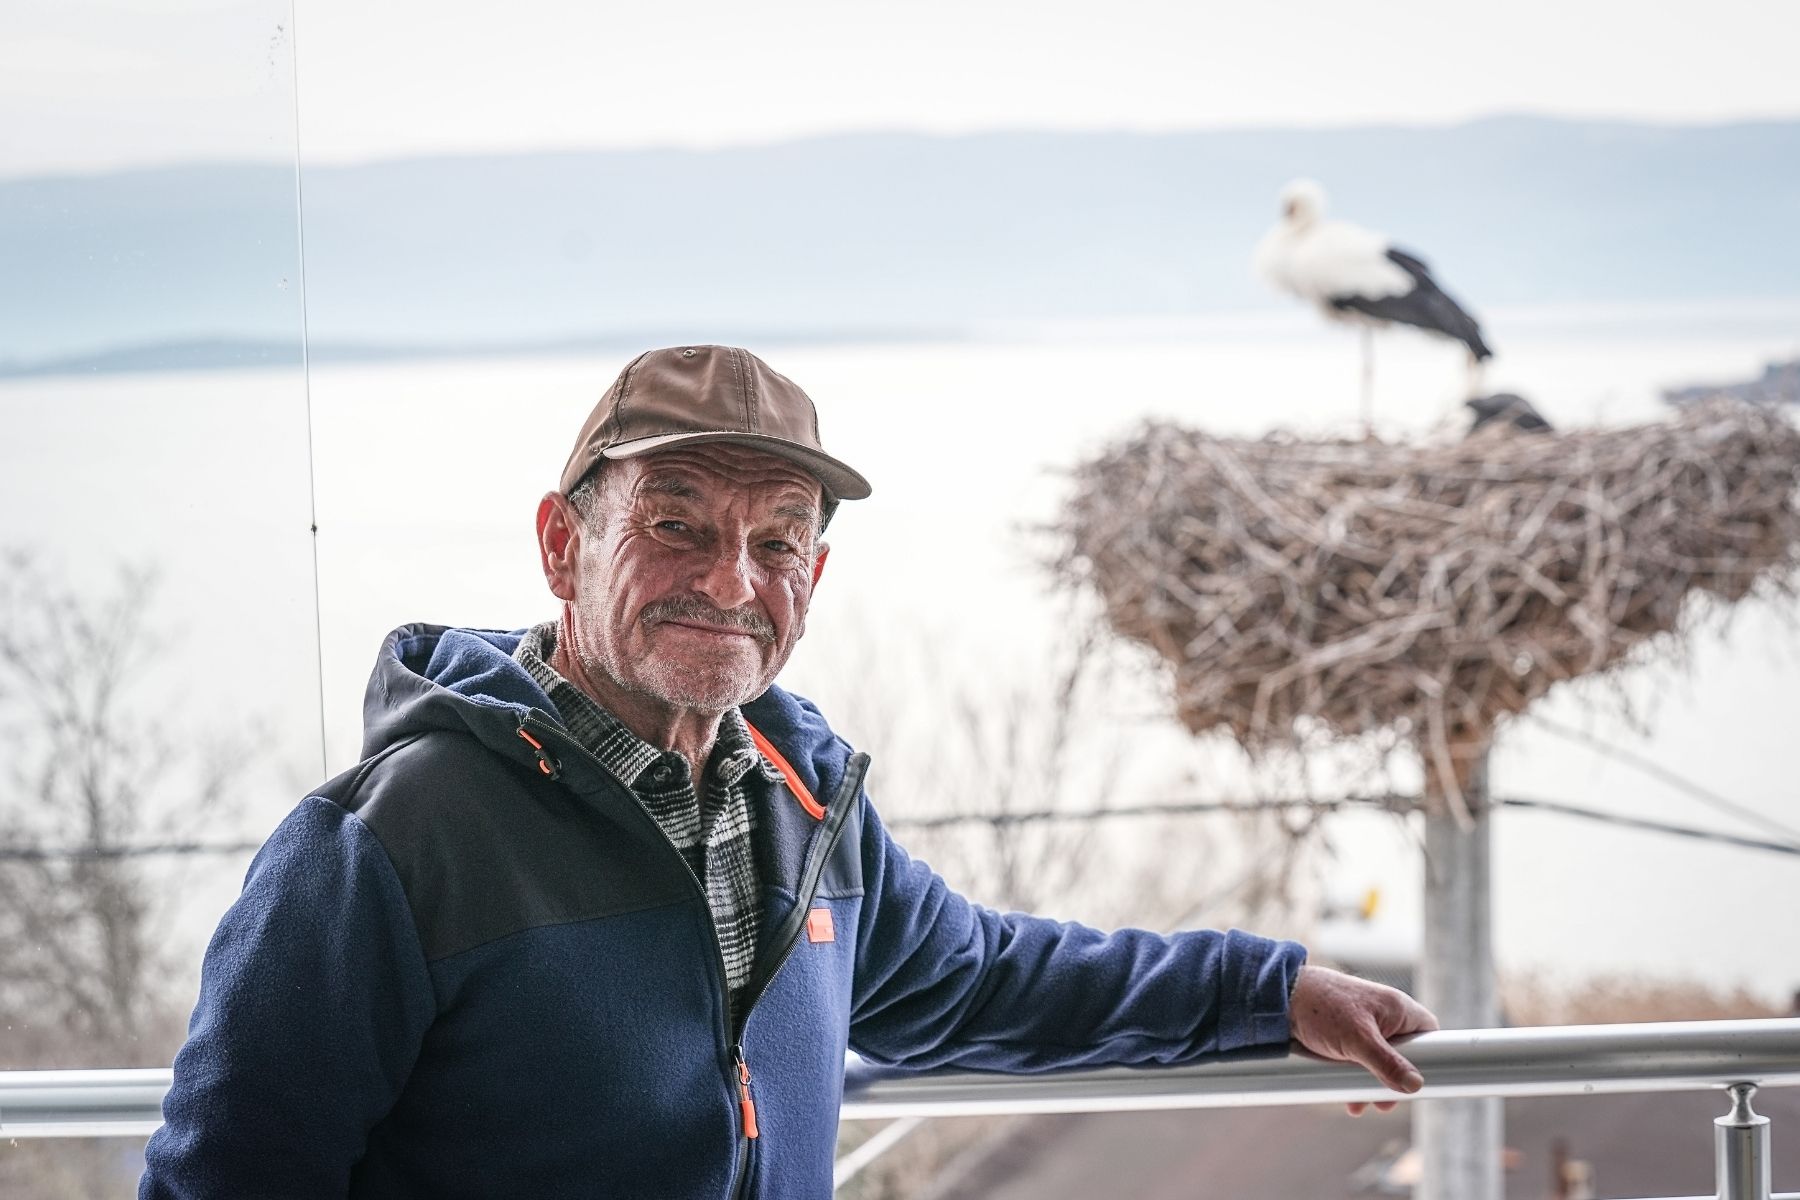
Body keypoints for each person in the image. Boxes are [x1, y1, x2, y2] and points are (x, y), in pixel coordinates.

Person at [140, 345, 1435, 1199]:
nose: (730, 580)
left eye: (777, 542)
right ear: (561, 544)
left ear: (814, 576)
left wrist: (1268, 991)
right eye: (675, 524)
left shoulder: (799, 802)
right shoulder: (386, 844)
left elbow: (981, 979)